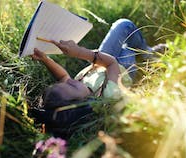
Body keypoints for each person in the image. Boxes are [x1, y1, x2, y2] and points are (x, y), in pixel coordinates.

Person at [29, 18, 166, 138]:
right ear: (80, 104)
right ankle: (148, 56)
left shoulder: (77, 88)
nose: (69, 80)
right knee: (127, 49)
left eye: (63, 83)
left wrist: (45, 59)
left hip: (101, 62)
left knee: (124, 25)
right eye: (70, 85)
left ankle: (147, 53)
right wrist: (80, 52)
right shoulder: (106, 96)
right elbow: (111, 63)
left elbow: (62, 76)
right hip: (122, 68)